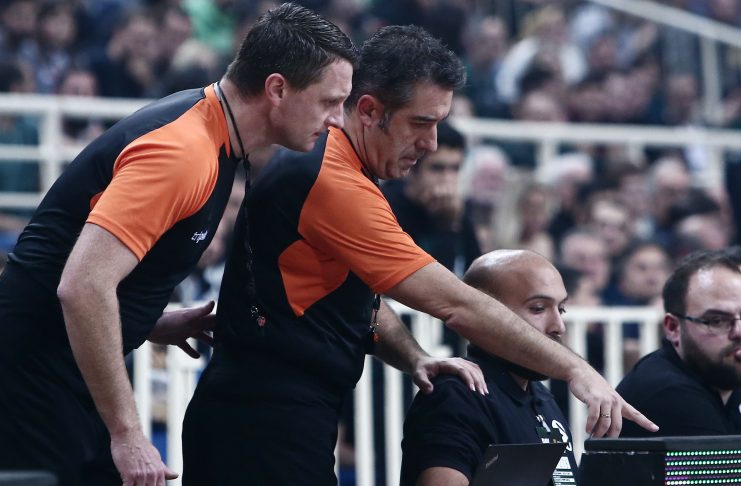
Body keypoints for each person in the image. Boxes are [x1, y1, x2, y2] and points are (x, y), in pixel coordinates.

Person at [182, 24, 656, 486]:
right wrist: (575, 368)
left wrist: (414, 357)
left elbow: (359, 300)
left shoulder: (342, 166)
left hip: (275, 415)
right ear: (369, 110)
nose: (430, 144)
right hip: (259, 422)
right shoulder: (333, 180)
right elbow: (457, 303)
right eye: (421, 123)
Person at [0, 4, 359, 485]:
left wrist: (144, 320)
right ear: (277, 89)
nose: (337, 120)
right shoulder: (184, 152)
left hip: (57, 372)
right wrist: (128, 434)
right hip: (29, 380)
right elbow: (82, 286)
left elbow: (80, 270)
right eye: (330, 101)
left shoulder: (214, 131)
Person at [400, 249, 578, 486]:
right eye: (538, 308)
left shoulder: (543, 398)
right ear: (484, 315)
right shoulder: (458, 394)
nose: (559, 326)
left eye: (561, 309)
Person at [616, 249, 741, 437]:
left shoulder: (722, 375)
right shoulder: (669, 393)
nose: (738, 331)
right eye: (717, 321)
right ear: (673, 327)